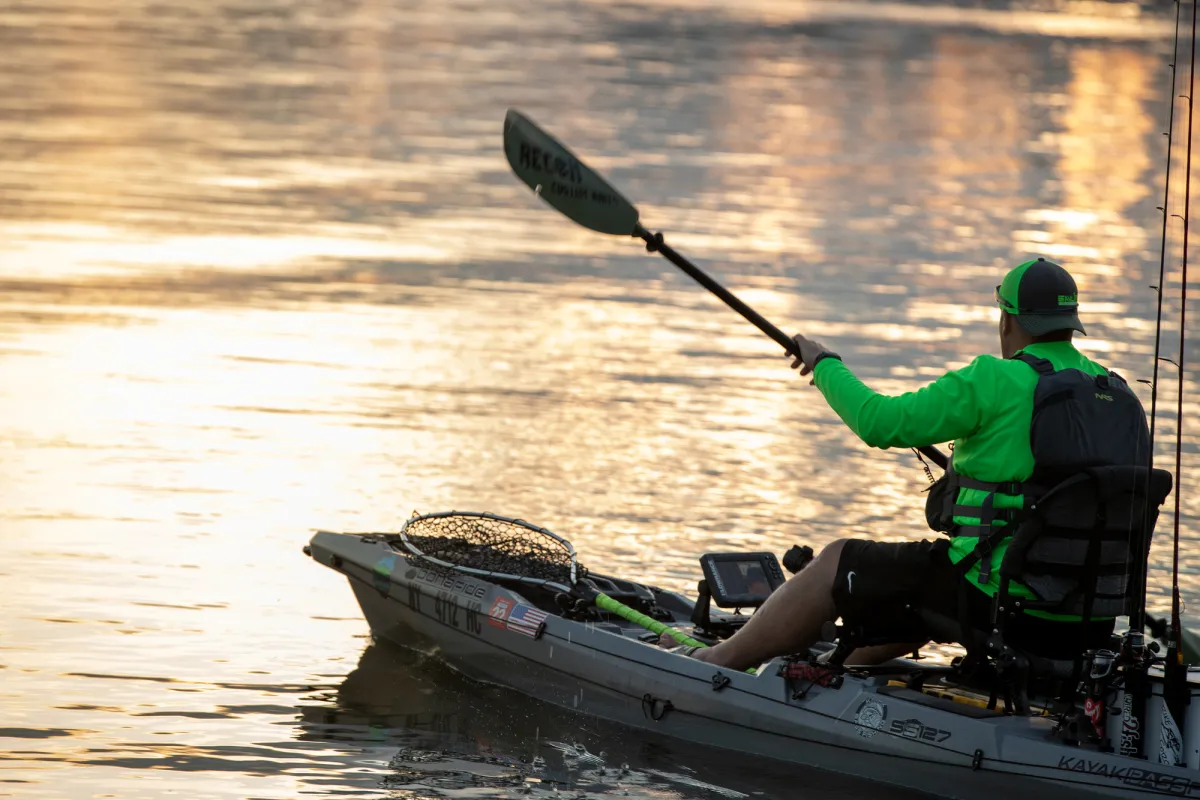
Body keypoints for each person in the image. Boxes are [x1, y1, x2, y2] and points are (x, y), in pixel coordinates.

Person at [674, 258, 1142, 671]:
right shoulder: (1121, 395)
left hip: (998, 607)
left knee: (839, 558)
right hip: (1088, 624)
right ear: (1071, 323)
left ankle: (715, 661)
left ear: (1007, 321)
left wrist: (824, 363)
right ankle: (824, 671)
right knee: (918, 580)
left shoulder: (994, 379)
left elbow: (879, 423)